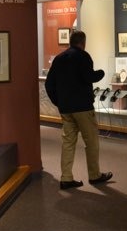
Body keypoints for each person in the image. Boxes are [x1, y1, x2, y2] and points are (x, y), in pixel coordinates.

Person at [45, 30, 113, 190]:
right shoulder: (83, 56)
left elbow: (49, 84)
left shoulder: (59, 59)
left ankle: (66, 177)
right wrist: (101, 73)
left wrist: (59, 102)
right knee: (91, 142)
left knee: (68, 142)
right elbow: (89, 77)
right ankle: (94, 175)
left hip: (66, 109)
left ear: (70, 41)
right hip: (83, 108)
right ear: (83, 42)